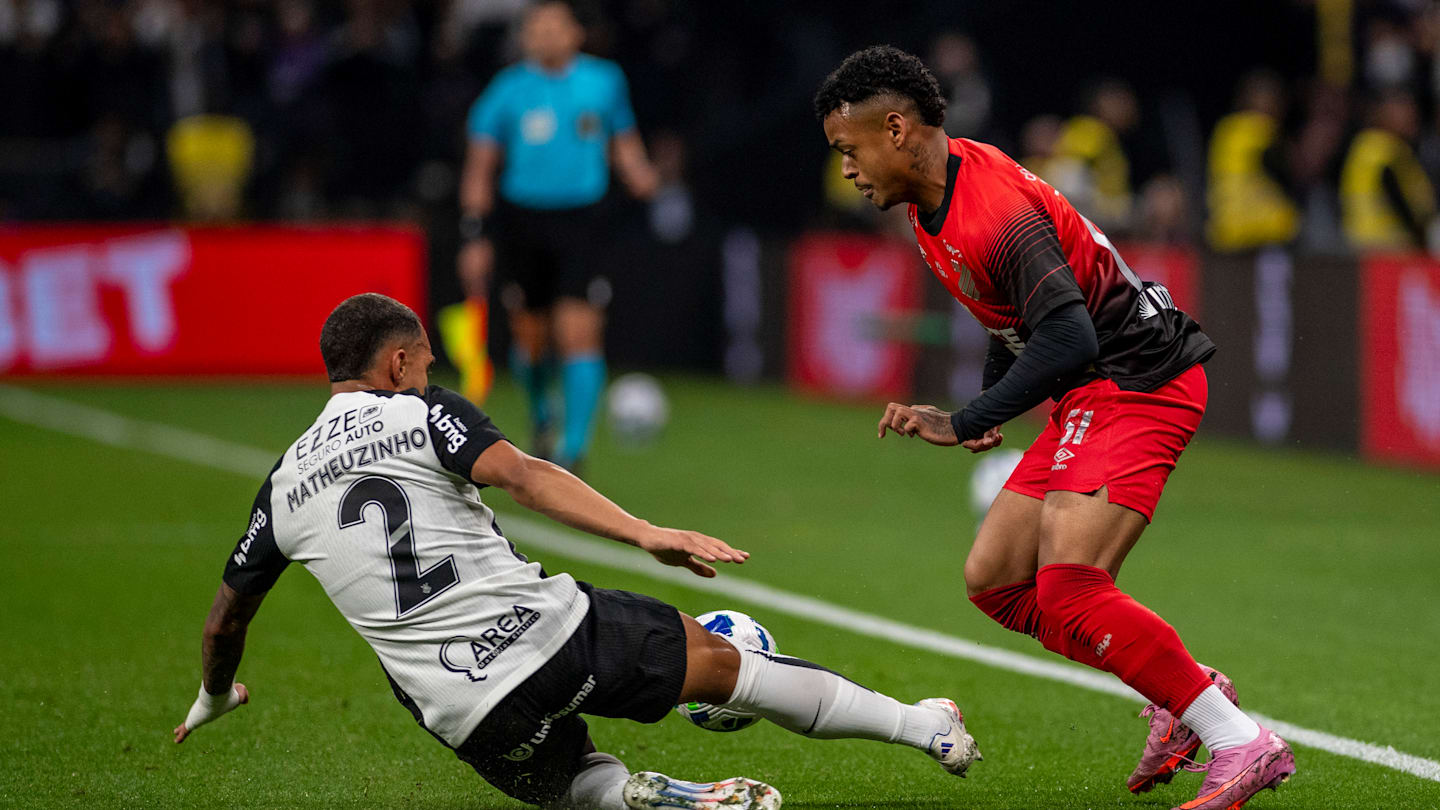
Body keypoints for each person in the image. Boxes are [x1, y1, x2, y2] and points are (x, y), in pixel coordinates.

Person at [172, 293, 981, 810]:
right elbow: (522, 477)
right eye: (423, 362)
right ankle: (925, 727)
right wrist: (645, 532)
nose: (429, 374)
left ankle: (637, 797)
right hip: (545, 636)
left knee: (571, 782)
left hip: (461, 712)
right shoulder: (417, 412)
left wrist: (212, 695)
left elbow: (222, 623)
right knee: (729, 664)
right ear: (396, 363)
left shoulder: (282, 485)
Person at [813, 46, 1296, 810]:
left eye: (850, 149)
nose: (847, 169)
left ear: (897, 129)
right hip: (1093, 390)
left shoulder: (989, 207)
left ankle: (1240, 740)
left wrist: (967, 418)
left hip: (1139, 380)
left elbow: (1069, 335)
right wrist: (988, 396)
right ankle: (1188, 694)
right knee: (996, 579)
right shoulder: (931, 198)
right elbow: (1011, 317)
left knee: (1069, 588)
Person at [452, 1, 658, 471]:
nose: (545, 36)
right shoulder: (506, 90)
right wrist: (474, 234)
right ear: (525, 38)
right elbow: (480, 167)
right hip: (523, 222)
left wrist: (642, 176)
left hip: (584, 221)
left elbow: (623, 143)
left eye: (554, 27)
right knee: (531, 339)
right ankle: (543, 414)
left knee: (579, 331)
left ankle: (573, 450)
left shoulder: (604, 81)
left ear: (575, 34)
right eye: (536, 29)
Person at [1339, 89, 1436, 251]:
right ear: (1384, 113)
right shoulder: (1385, 149)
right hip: (1389, 244)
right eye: (1404, 111)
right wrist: (1421, 237)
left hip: (1359, 241)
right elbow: (1398, 199)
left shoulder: (1363, 144)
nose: (1412, 117)